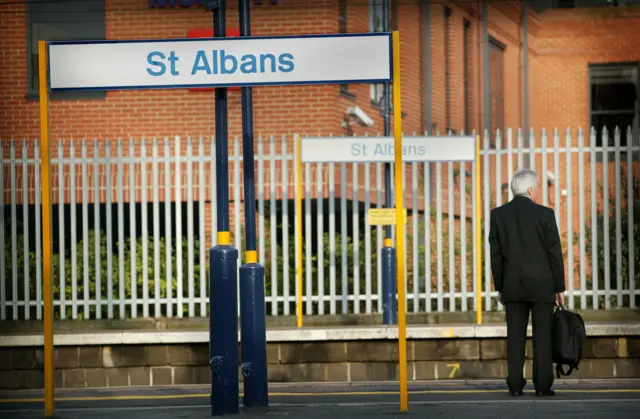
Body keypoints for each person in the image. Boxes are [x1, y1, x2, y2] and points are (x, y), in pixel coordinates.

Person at [488, 168, 565, 397]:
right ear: (531, 189)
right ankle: (542, 386)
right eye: (538, 187)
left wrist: (500, 286)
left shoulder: (498, 215)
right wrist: (559, 287)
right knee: (543, 336)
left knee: (515, 336)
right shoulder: (545, 214)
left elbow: (496, 255)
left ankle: (514, 384)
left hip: (512, 284)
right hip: (543, 285)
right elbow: (554, 253)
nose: (538, 191)